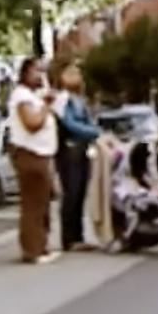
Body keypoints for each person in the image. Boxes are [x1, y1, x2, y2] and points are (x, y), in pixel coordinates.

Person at [7, 57, 59, 264]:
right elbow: (32, 123)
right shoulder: (21, 96)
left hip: (41, 154)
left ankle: (41, 245)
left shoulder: (32, 96)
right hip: (30, 154)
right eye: (37, 71)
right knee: (33, 204)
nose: (41, 75)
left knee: (43, 201)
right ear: (26, 72)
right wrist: (46, 106)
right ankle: (32, 250)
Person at [49, 60, 103, 252]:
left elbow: (88, 121)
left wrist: (94, 130)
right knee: (71, 192)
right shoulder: (62, 100)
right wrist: (94, 132)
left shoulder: (80, 100)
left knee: (80, 192)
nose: (77, 77)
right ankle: (68, 237)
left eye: (78, 73)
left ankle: (78, 235)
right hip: (68, 149)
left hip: (82, 149)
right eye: (72, 73)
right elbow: (70, 124)